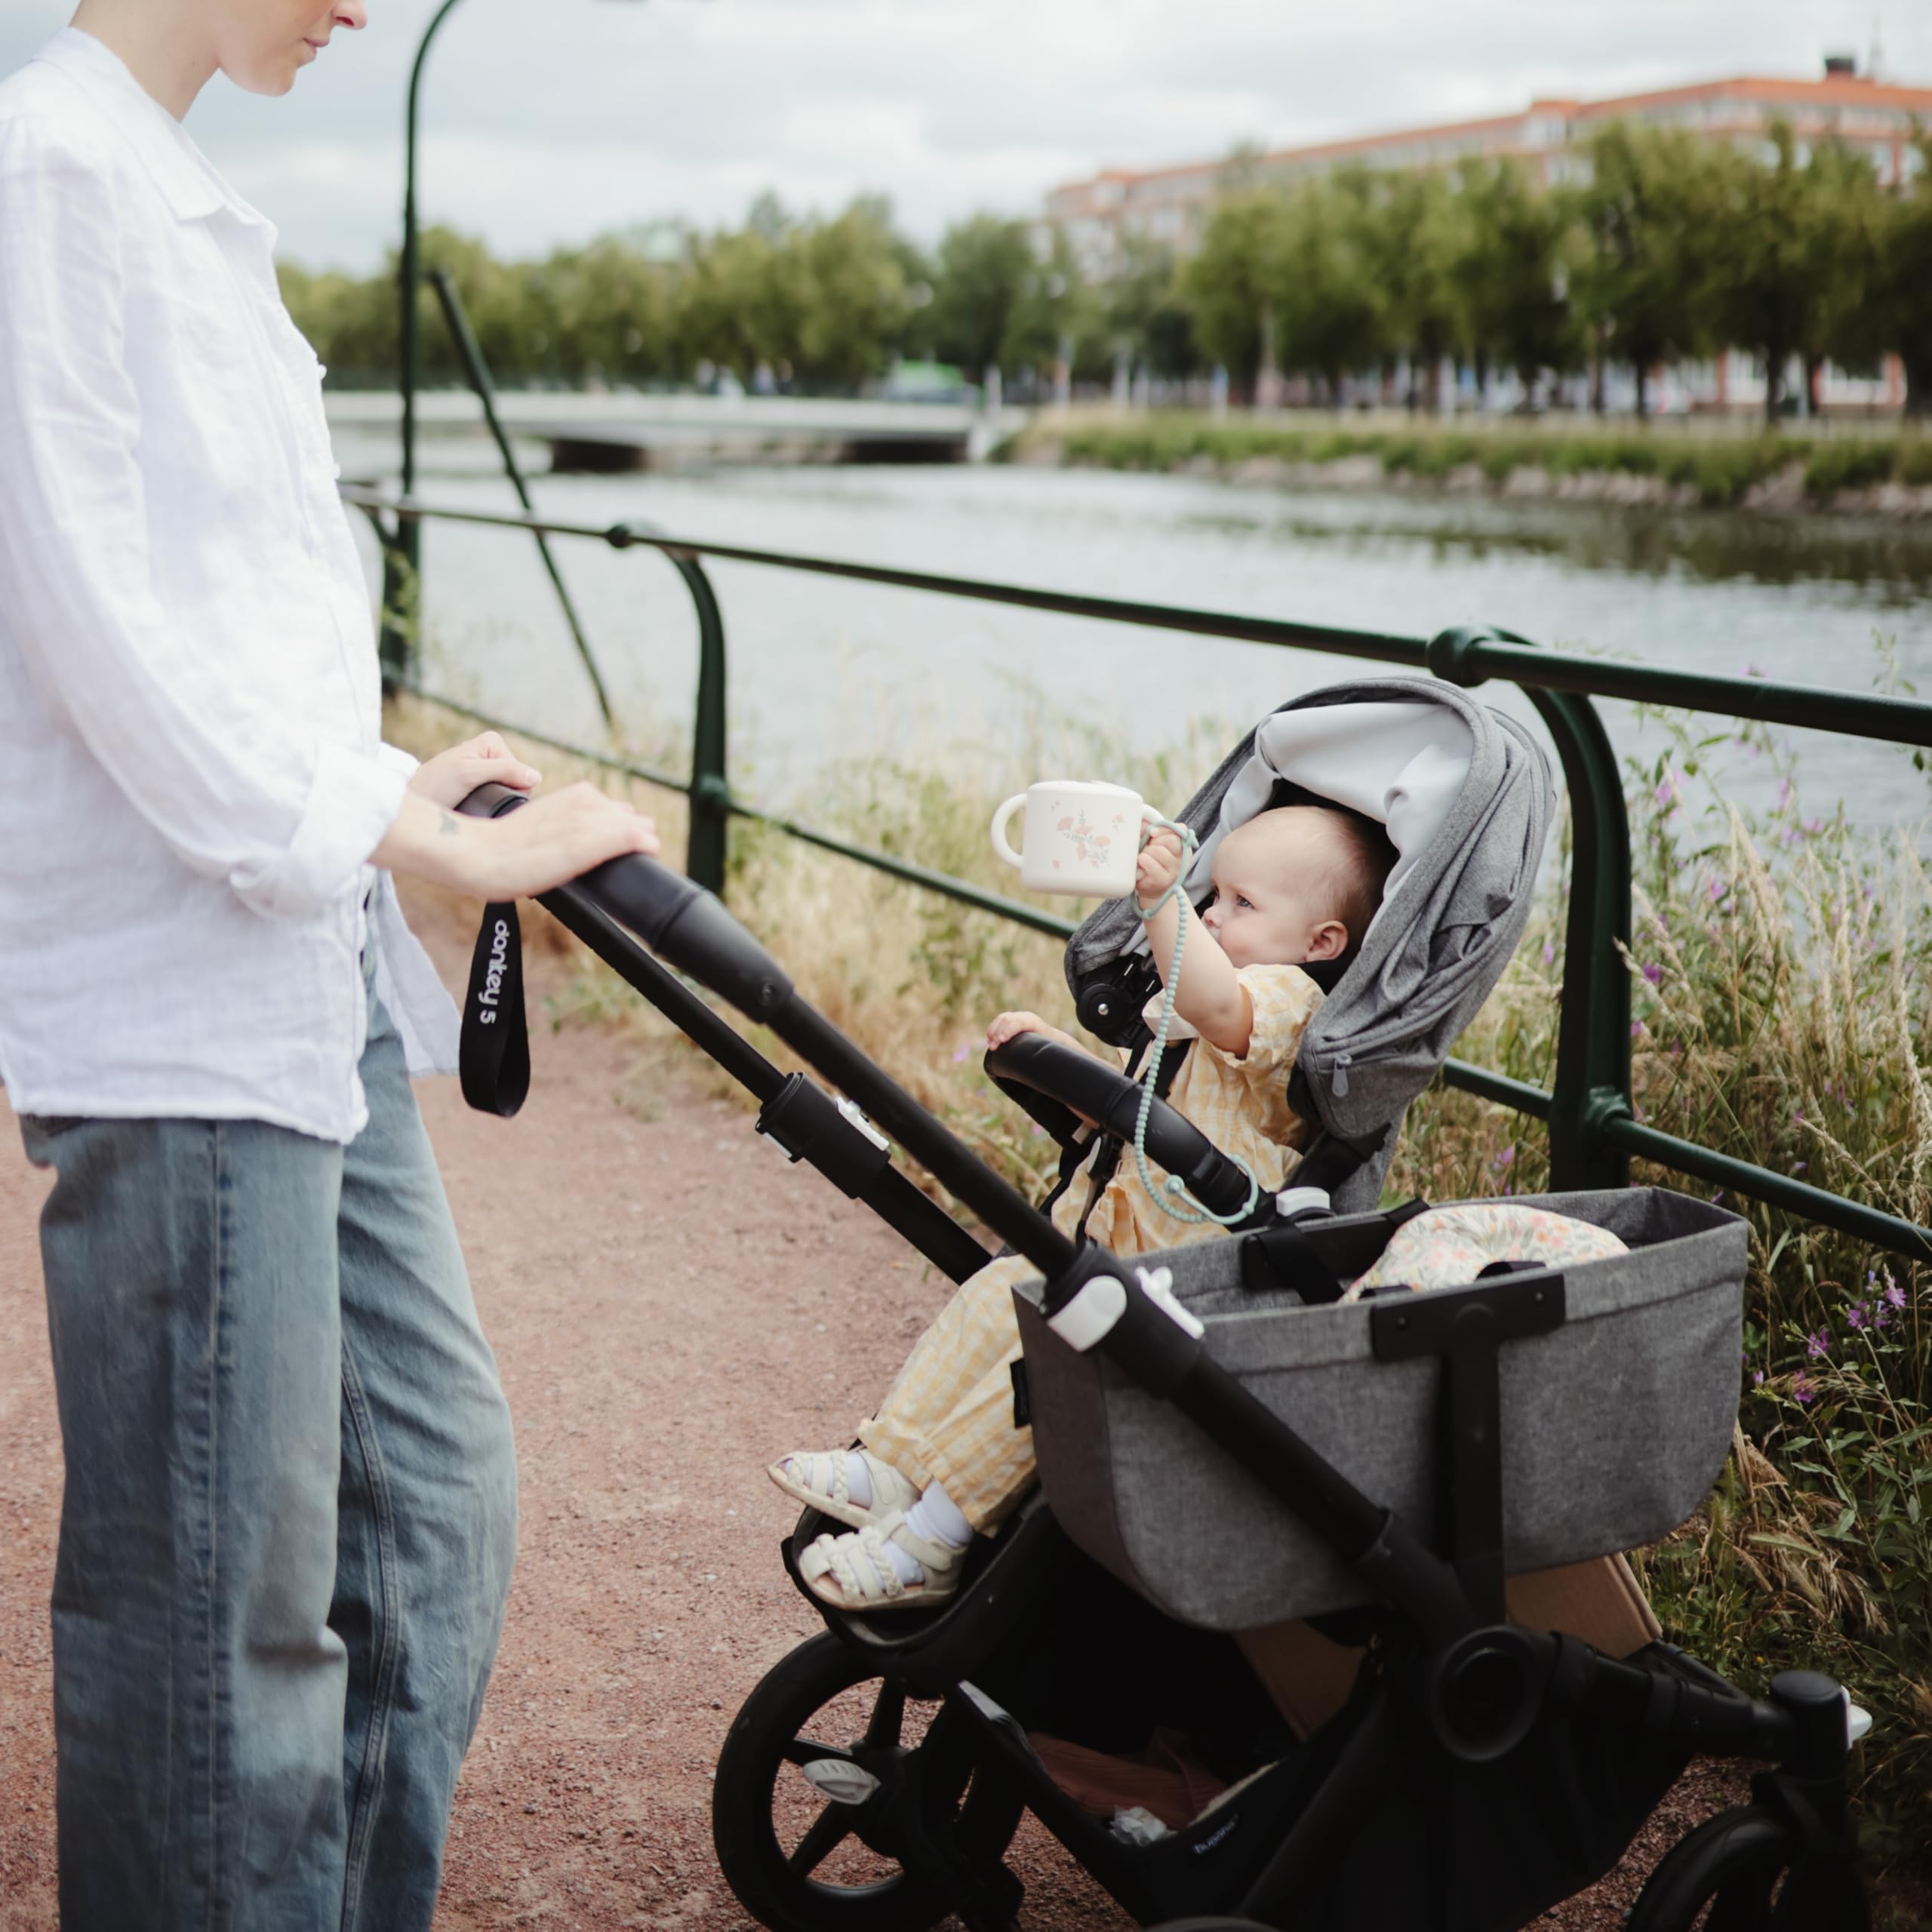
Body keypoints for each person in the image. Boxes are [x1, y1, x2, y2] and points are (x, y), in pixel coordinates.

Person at [0, 7, 661, 1927]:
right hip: (185, 1006)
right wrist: (409, 829)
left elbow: (218, 626)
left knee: (430, 1512)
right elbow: (95, 615)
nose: (363, 3)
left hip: (300, 980)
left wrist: (394, 785)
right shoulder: (52, 168)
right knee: (221, 1635)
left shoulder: (163, 181)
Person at [771, 804, 1398, 1611]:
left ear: (1321, 942)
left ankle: (933, 1541)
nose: (1214, 912)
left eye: (1242, 904)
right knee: (991, 1303)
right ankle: (891, 1464)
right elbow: (1136, 1105)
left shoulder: (1286, 1003)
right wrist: (1057, 1058)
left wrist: (1164, 903)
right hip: (1104, 1235)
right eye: (1215, 897)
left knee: (1039, 1383)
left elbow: (1211, 1001)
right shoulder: (1191, 1013)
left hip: (1181, 1270)